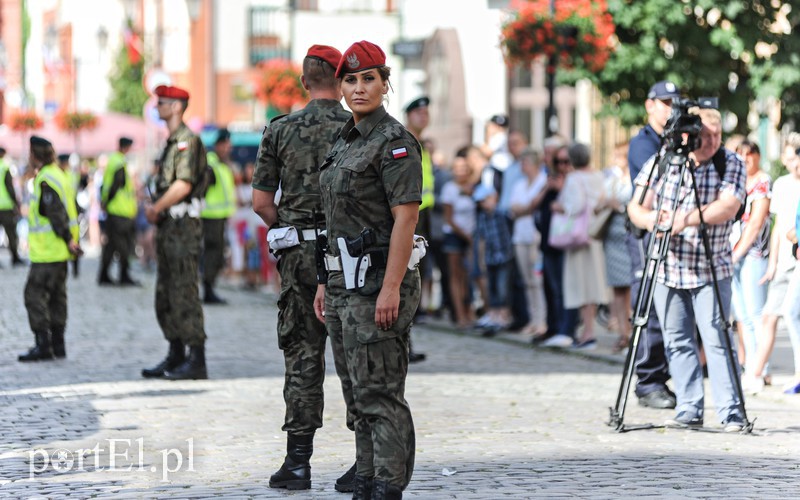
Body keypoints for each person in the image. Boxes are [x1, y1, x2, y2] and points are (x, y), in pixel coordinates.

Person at [313, 40, 421, 499]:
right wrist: (324, 281)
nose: (359, 88)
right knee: (356, 392)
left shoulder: (393, 142)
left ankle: (388, 485)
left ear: (384, 83)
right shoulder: (345, 140)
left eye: (369, 79)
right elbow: (331, 219)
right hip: (342, 285)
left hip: (378, 281)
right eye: (351, 80)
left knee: (380, 392)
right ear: (339, 86)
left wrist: (391, 288)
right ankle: (366, 472)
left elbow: (406, 218)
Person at [251, 44, 357, 493]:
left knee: (301, 354)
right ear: (341, 80)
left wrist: (290, 230)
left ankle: (297, 463)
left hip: (298, 257)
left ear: (303, 83)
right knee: (354, 353)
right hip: (350, 254)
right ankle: (365, 461)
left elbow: (260, 203)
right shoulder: (359, 128)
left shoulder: (280, 130)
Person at [627, 106, 747, 432]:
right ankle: (689, 408)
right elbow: (635, 206)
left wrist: (685, 219)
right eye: (703, 136)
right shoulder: (665, 160)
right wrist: (653, 220)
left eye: (716, 136)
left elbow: (728, 206)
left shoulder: (730, 162)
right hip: (668, 267)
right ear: (687, 135)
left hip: (711, 268)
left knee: (717, 340)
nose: (710, 142)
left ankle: (731, 413)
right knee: (677, 341)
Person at [141, 85, 209, 381]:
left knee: (184, 291)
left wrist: (156, 207)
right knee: (166, 292)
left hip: (182, 228)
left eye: (163, 102)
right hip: (169, 228)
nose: (158, 106)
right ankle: (176, 352)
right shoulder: (171, 143)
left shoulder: (187, 142)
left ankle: (196, 358)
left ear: (178, 107)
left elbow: (183, 185)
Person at [627, 80, 680, 410]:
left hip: (673, 231)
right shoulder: (643, 143)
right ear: (649, 105)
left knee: (671, 306)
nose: (669, 108)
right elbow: (655, 185)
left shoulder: (675, 140)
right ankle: (648, 381)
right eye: (663, 102)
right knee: (649, 308)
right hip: (647, 234)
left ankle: (664, 377)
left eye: (673, 103)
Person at [18, 136, 82, 362]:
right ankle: (58, 344)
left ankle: (43, 344)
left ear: (35, 155)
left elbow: (56, 214)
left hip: (48, 251)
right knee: (57, 297)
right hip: (60, 252)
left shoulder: (45, 179)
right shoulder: (60, 175)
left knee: (34, 295)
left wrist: (67, 238)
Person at [551, 143, 607, 349]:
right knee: (593, 283)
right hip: (595, 234)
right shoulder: (599, 176)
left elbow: (574, 206)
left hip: (578, 237)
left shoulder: (574, 179)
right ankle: (588, 331)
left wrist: (559, 205)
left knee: (582, 286)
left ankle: (588, 332)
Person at [758, 134, 800, 394]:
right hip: (789, 257)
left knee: (791, 311)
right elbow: (786, 227)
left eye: (792, 159)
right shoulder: (784, 185)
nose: (790, 165)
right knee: (783, 312)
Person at [729, 140, 771, 394]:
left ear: (757, 156)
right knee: (742, 316)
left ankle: (760, 368)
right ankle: (751, 366)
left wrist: (736, 254)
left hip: (753, 253)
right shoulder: (736, 181)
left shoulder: (762, 182)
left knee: (756, 314)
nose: (745, 158)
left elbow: (755, 223)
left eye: (749, 153)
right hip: (734, 253)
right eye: (740, 153)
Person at [597, 142, 634, 351]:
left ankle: (631, 330)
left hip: (628, 236)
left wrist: (619, 206)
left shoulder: (636, 180)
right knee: (617, 289)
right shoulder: (612, 180)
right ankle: (622, 332)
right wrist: (605, 203)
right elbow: (597, 205)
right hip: (612, 239)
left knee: (631, 286)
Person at [509, 146, 548, 336]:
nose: (521, 166)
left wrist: (524, 209)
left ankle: (542, 320)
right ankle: (533, 319)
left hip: (535, 236)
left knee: (537, 280)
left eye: (524, 162)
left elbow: (533, 206)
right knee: (526, 281)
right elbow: (514, 208)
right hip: (520, 236)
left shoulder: (543, 182)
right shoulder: (519, 184)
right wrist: (526, 208)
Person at [403, 96, 431, 362]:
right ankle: (403, 344)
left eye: (426, 113)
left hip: (425, 214)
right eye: (419, 113)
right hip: (412, 214)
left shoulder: (421, 142)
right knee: (407, 276)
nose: (424, 117)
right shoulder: (405, 139)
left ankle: (406, 343)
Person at [440, 152, 477, 328]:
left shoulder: (474, 187)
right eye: (457, 168)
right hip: (455, 235)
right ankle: (459, 314)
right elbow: (449, 218)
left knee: (469, 275)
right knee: (455, 276)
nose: (460, 171)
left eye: (463, 168)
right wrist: (465, 236)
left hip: (471, 235)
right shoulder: (449, 188)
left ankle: (470, 311)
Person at [200, 128, 237, 304]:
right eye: (226, 145)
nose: (228, 149)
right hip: (210, 217)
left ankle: (209, 288)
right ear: (219, 145)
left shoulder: (220, 165)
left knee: (216, 253)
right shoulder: (211, 164)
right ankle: (208, 290)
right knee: (213, 253)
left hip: (219, 216)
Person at [472, 183, 514, 335]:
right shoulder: (482, 217)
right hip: (491, 258)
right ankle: (494, 314)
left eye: (485, 200)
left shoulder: (503, 214)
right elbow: (482, 239)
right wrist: (481, 259)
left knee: (503, 287)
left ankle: (504, 315)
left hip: (504, 256)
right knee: (493, 287)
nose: (483, 204)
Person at [99, 137, 138, 285]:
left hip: (114, 210)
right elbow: (116, 185)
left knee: (111, 245)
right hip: (120, 211)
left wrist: (105, 202)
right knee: (123, 245)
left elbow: (107, 185)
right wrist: (108, 202)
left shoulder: (112, 160)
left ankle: (104, 275)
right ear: (126, 147)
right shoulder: (120, 162)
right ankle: (124, 275)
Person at [0, 146, 24, 267]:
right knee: (11, 234)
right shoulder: (4, 167)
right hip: (5, 207)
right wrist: (16, 203)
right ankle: (15, 258)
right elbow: (9, 187)